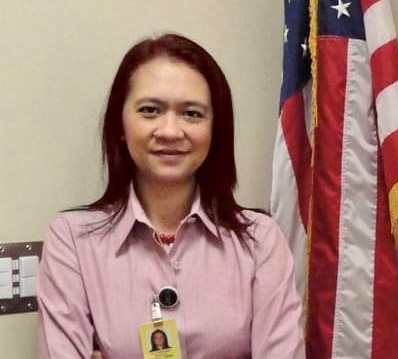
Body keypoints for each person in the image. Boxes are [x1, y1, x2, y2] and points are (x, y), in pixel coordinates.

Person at [36, 33, 305, 359]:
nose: (170, 131)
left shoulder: (260, 240)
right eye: (150, 110)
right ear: (120, 124)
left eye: (192, 113)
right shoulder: (72, 241)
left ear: (214, 130)